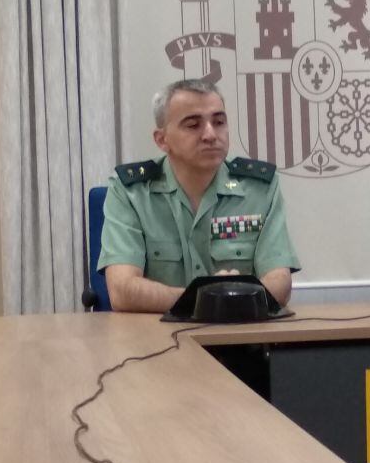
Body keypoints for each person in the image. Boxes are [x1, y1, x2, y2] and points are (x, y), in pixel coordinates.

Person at [98, 78, 299, 313]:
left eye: (219, 122)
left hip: (238, 339)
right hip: (156, 341)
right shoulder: (131, 192)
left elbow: (280, 284)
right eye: (193, 125)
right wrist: (212, 297)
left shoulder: (259, 188)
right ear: (162, 139)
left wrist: (224, 299)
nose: (210, 134)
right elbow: (123, 291)